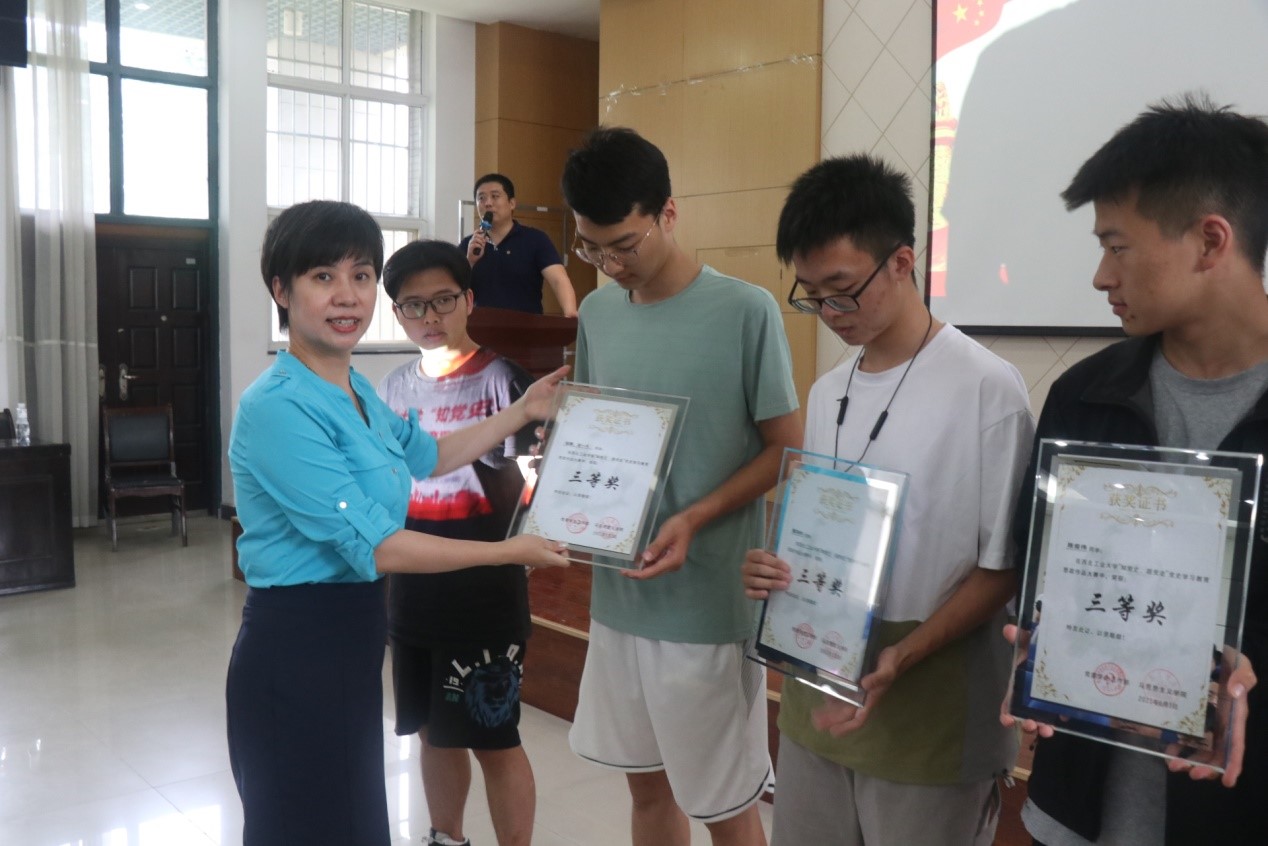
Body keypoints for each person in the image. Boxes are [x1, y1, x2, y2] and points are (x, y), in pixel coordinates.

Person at [226, 201, 569, 846]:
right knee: (303, 824)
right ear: (281, 290)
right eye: (323, 277)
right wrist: (505, 552)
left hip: (354, 638)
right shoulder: (277, 406)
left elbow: (429, 455)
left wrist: (522, 409)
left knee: (354, 820)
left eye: (360, 276)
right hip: (297, 643)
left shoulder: (355, 390)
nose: (347, 295)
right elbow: (377, 546)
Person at [740, 154, 1035, 846]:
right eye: (811, 294)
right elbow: (822, 530)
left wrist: (905, 655)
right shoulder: (827, 392)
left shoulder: (987, 389)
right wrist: (775, 569)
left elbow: (1004, 568)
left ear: (902, 262)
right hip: (820, 681)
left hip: (931, 696)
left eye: (843, 290)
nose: (828, 312)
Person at [1002, 96, 1265, 845]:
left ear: (1210, 241)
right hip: (1077, 805)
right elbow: (1034, 563)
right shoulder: (1085, 396)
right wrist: (1036, 636)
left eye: (1117, 247)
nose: (1099, 276)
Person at [560, 126, 803, 846]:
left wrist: (695, 518)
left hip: (708, 603)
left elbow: (787, 449)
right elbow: (595, 431)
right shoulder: (598, 313)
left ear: (669, 212)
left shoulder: (744, 310)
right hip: (620, 596)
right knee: (645, 790)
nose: (609, 266)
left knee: (724, 805)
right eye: (590, 249)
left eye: (623, 246)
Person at [376, 239, 537, 846]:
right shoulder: (392, 389)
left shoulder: (505, 381)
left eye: (443, 300)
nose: (430, 316)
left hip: (485, 592)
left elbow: (539, 483)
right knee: (430, 731)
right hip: (412, 591)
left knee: (494, 739)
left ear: (469, 300)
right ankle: (446, 837)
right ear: (398, 314)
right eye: (413, 306)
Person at [459, 173, 578, 317]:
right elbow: (454, 290)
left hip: (527, 326)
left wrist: (570, 313)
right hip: (480, 326)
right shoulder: (468, 245)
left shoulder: (535, 239)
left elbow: (558, 280)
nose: (488, 203)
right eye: (481, 198)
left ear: (512, 203)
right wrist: (469, 262)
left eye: (495, 196)